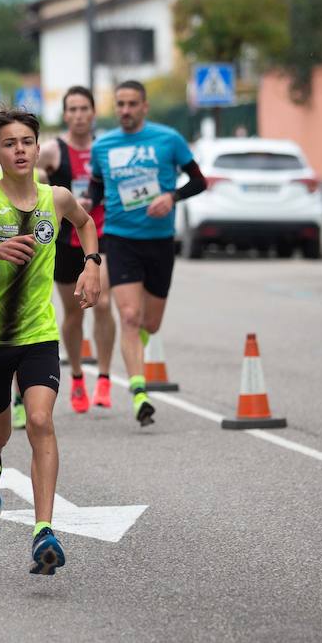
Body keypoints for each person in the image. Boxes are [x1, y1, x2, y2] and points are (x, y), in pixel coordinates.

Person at [0, 108, 101, 576]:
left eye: (27, 141)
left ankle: (43, 531)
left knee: (40, 421)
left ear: (37, 147)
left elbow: (86, 223)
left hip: (38, 335)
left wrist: (92, 263)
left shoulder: (58, 198)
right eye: (10, 143)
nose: (20, 150)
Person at [88, 80, 206, 427]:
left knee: (150, 324)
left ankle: (134, 351)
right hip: (120, 239)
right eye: (120, 104)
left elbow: (199, 181)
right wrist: (87, 203)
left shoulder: (169, 140)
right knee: (128, 315)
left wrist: (172, 197)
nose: (125, 110)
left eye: (131, 104)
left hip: (159, 241)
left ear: (145, 107)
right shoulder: (104, 145)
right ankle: (139, 391)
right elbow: (97, 185)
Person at [36, 85, 115, 414]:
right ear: (65, 114)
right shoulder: (54, 150)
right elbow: (24, 174)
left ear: (93, 113)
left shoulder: (106, 148)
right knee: (72, 313)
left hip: (100, 234)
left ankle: (106, 378)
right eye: (73, 109)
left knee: (103, 302)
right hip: (64, 242)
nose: (79, 115)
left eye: (85, 109)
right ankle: (79, 376)